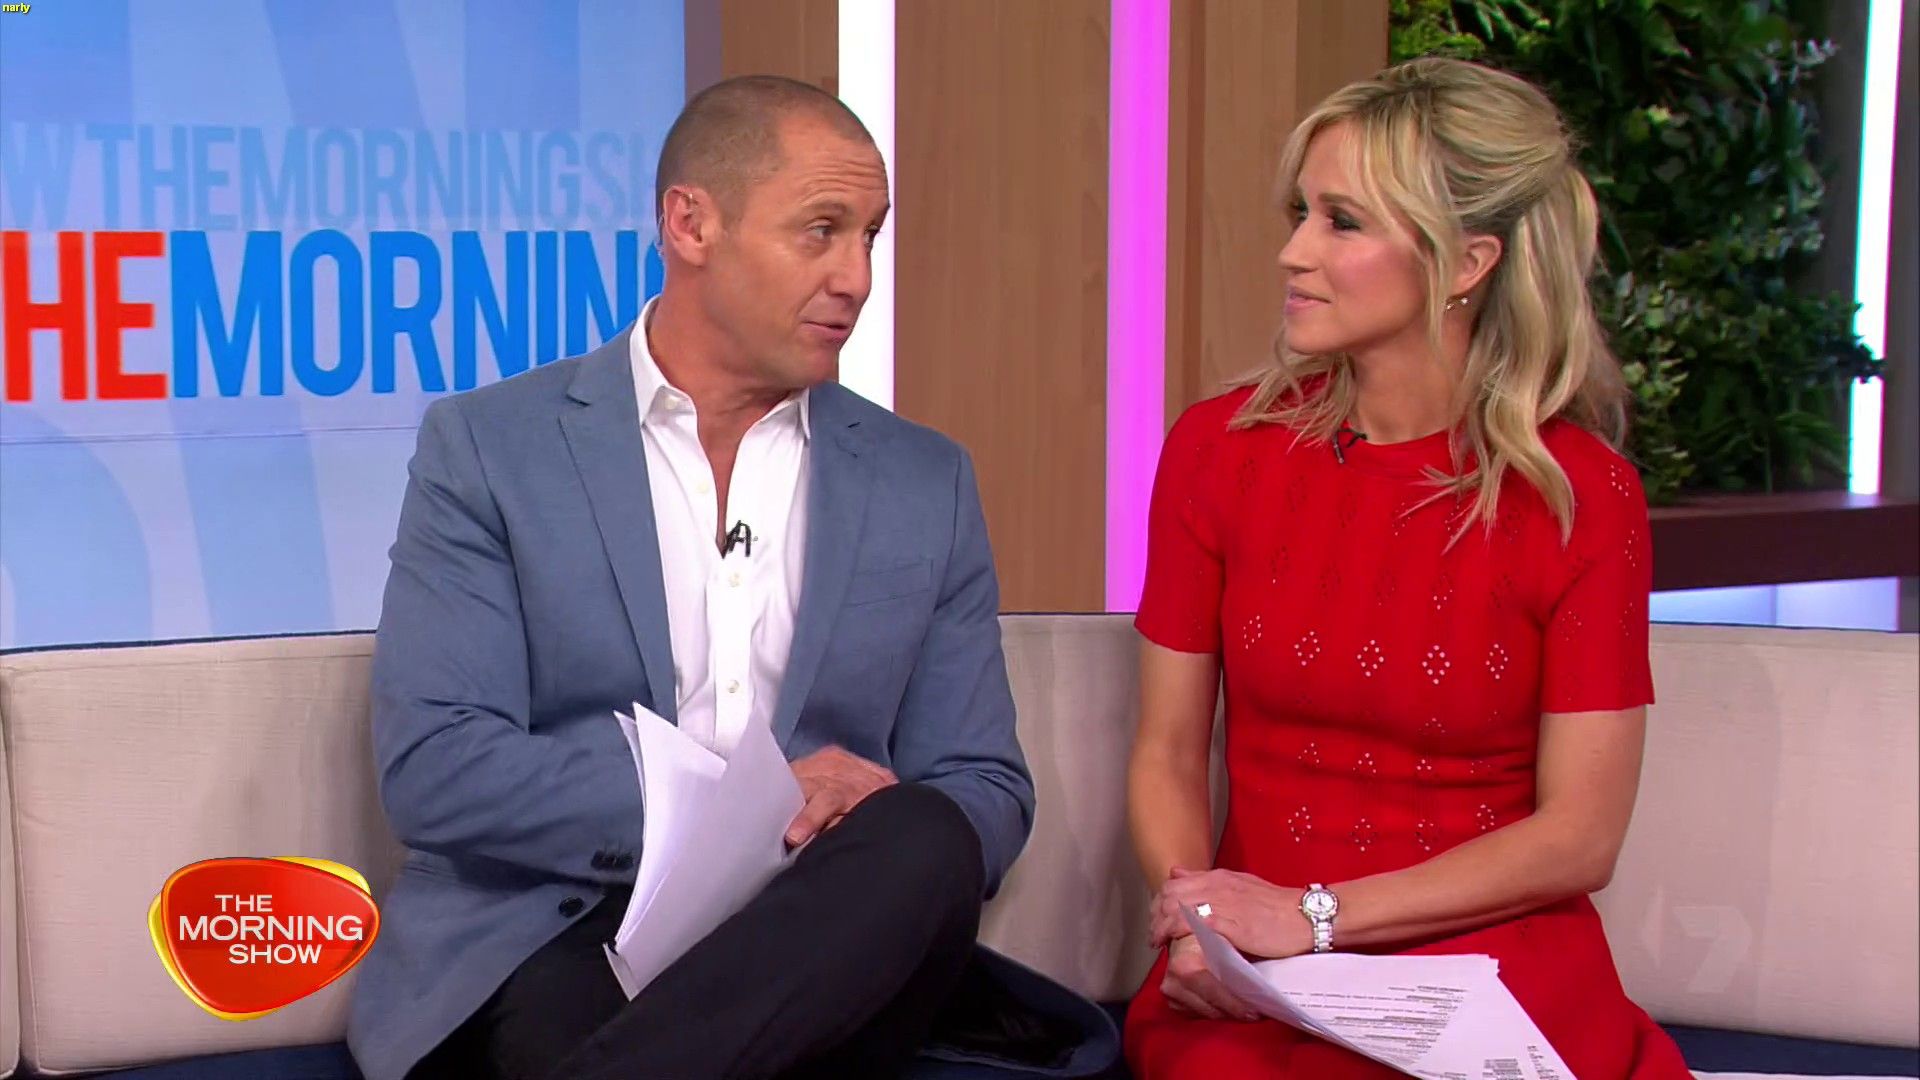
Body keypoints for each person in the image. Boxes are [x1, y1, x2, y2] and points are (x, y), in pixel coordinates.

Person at [347, 75, 1100, 1080]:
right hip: (566, 923)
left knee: (924, 833)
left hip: (822, 931)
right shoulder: (491, 448)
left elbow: (986, 789)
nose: (856, 278)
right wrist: (740, 808)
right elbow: (438, 767)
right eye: (821, 231)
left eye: (870, 237)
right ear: (691, 224)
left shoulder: (926, 481)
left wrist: (834, 826)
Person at [1122, 58, 1693, 1078]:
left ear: (1467, 262)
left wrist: (1314, 917)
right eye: (1301, 212)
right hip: (1255, 968)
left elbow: (1581, 836)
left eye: (1342, 222)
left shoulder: (1581, 495)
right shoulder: (1218, 451)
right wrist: (1198, 924)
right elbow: (1166, 753)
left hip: (1488, 958)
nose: (1294, 251)